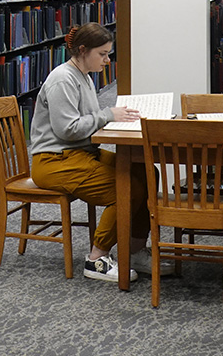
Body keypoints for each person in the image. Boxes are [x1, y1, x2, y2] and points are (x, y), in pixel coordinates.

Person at [30, 22, 172, 282]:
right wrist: (108, 115)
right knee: (126, 188)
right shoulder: (63, 80)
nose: (108, 60)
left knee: (145, 170)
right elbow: (67, 129)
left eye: (109, 53)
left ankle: (136, 250)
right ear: (82, 50)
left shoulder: (82, 75)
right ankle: (97, 259)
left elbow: (85, 121)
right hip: (54, 160)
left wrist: (109, 118)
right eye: (103, 54)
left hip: (79, 153)